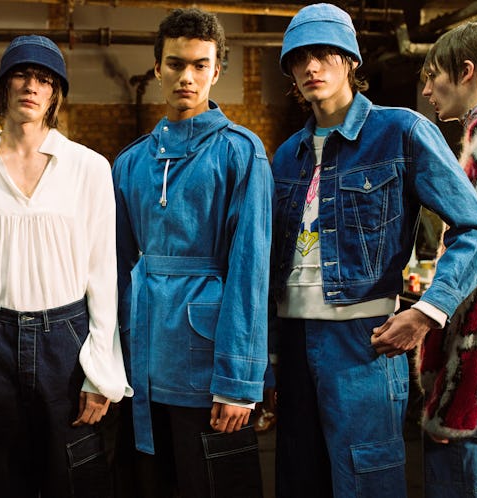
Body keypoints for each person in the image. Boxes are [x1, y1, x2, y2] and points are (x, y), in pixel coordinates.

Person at [271, 4, 477, 497]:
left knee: (366, 482)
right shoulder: (288, 154)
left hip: (363, 342)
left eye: (324, 54)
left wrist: (430, 311)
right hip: (294, 341)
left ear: (349, 61)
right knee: (299, 481)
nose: (311, 68)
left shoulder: (400, 131)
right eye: (299, 59)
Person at [0, 35, 132, 498]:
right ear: (3, 86)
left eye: (43, 79)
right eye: (21, 75)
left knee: (74, 478)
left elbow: (103, 274)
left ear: (55, 93)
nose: (31, 86)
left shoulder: (89, 168)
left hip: (67, 342)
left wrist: (101, 371)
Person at [112, 8, 271, 497]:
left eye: (200, 65)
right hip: (141, 356)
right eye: (176, 64)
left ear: (217, 70)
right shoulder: (130, 162)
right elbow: (114, 269)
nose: (187, 76)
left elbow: (250, 272)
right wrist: (108, 362)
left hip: (206, 360)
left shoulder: (241, 152)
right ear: (157, 67)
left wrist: (238, 382)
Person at [418, 21, 477, 497]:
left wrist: (455, 396)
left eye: (433, 76)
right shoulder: (472, 141)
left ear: (465, 72)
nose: (426, 89)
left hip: (475, 377)